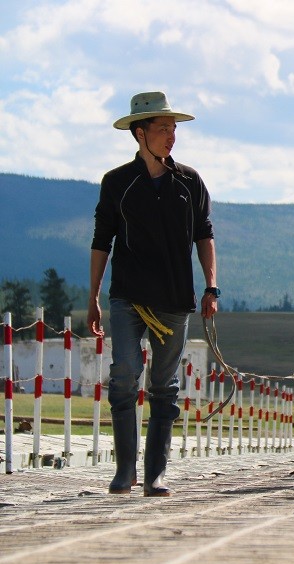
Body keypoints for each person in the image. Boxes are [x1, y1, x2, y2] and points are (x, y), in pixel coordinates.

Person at [89, 91, 219, 496]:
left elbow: (204, 235)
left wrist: (211, 285)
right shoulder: (117, 183)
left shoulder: (190, 181)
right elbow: (101, 241)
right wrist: (92, 296)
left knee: (164, 385)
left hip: (175, 298)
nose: (172, 136)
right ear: (140, 133)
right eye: (164, 128)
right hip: (127, 297)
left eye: (174, 128)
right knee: (124, 374)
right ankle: (125, 470)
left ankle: (155, 474)